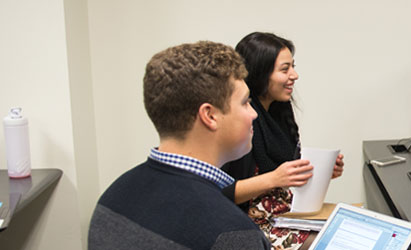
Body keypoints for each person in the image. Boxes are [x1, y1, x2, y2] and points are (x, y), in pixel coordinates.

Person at [89, 41, 271, 249]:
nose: (254, 113)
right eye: (245, 102)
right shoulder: (233, 234)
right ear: (210, 115)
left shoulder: (114, 195)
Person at [220, 32, 345, 249]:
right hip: (250, 225)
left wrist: (322, 171)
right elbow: (222, 194)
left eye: (293, 67)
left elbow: (287, 177)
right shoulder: (239, 122)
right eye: (285, 69)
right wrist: (275, 178)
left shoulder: (278, 113)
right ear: (261, 73)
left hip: (285, 215)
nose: (294, 75)